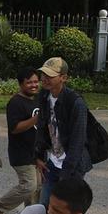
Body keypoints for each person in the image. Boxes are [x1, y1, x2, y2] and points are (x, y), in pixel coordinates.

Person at [34, 57, 92, 203]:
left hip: (71, 166)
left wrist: (67, 172)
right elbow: (42, 127)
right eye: (43, 75)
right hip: (52, 162)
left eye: (50, 76)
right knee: (45, 206)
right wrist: (39, 156)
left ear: (63, 78)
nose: (45, 79)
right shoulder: (44, 96)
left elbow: (78, 140)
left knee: (66, 208)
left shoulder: (75, 102)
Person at [0, 67, 42, 214]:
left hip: (36, 152)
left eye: (36, 81)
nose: (34, 85)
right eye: (29, 82)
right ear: (21, 84)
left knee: (37, 188)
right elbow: (15, 128)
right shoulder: (15, 103)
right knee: (29, 185)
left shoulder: (37, 99)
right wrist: (36, 119)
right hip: (21, 152)